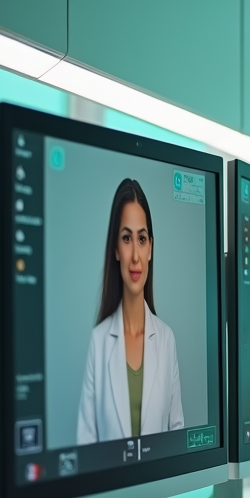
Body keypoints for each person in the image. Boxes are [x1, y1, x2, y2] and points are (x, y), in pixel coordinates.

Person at [77, 178, 184, 444]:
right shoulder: (99, 341)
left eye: (142, 239)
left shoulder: (167, 340)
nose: (135, 255)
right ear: (115, 249)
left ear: (151, 248)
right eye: (126, 238)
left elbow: (178, 442)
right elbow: (86, 445)